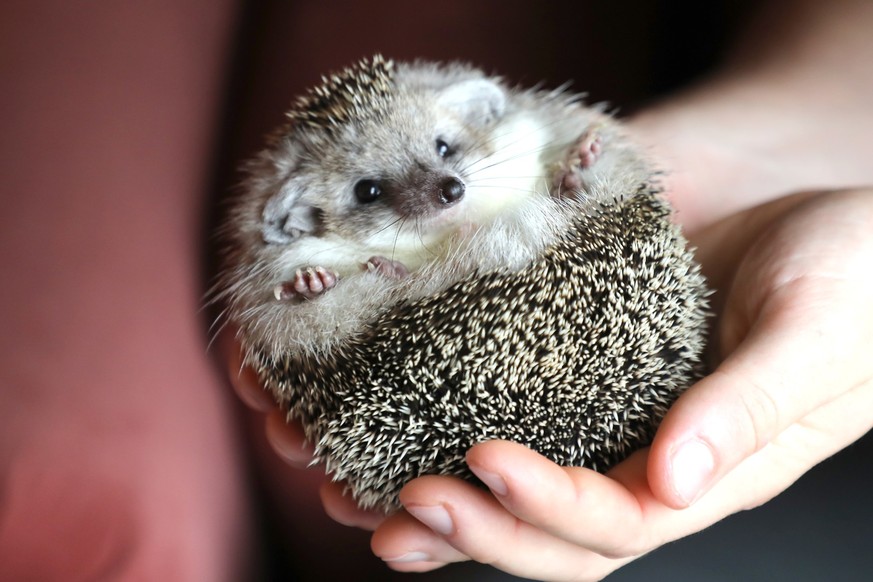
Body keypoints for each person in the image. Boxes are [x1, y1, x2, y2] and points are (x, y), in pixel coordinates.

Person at [2, 2, 870, 582]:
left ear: (470, 114)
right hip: (381, 306)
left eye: (447, 154)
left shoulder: (497, 143)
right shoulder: (301, 241)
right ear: (296, 213)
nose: (438, 187)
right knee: (297, 316)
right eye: (373, 191)